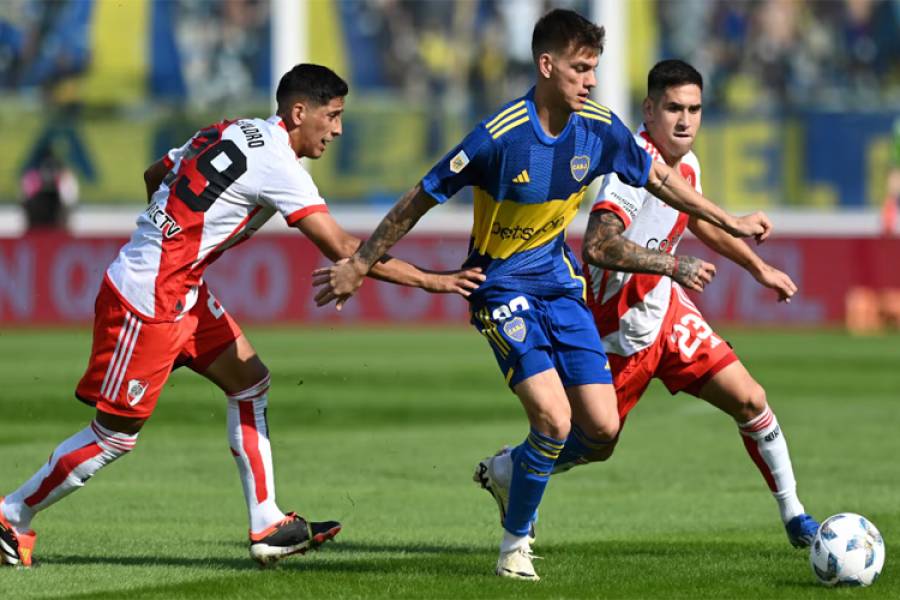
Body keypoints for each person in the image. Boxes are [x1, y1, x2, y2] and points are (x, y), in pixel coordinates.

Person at [314, 11, 772, 581]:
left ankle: (508, 476)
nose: (592, 80)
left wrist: (729, 219)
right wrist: (360, 263)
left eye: (596, 69)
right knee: (554, 419)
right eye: (581, 69)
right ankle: (514, 548)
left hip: (559, 285)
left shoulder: (599, 128)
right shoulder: (498, 136)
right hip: (500, 286)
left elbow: (662, 182)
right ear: (547, 65)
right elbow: (421, 196)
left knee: (601, 430)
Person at [0, 64, 483, 569]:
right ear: (299, 113)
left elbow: (155, 172)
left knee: (250, 381)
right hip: (149, 298)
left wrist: (171, 237)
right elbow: (342, 246)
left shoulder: (228, 129)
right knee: (114, 437)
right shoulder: (280, 164)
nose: (337, 129)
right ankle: (12, 515)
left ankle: (267, 523)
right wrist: (437, 281)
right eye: (333, 116)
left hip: (180, 287)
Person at [476, 59, 820, 549]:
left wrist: (757, 268)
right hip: (616, 333)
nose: (685, 121)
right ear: (649, 110)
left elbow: (696, 221)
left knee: (750, 398)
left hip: (667, 315)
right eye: (674, 108)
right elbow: (598, 244)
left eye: (695, 109)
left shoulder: (688, 164)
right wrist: (672, 266)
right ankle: (511, 468)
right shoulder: (628, 169)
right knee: (597, 442)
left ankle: (796, 517)